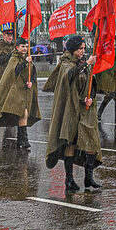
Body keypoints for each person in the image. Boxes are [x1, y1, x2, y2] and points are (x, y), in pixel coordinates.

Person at [45, 34, 102, 192]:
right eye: (80, 49)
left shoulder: (82, 63)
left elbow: (88, 83)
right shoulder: (66, 63)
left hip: (84, 109)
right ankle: (69, 179)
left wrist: (88, 98)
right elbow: (68, 77)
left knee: (91, 142)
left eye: (84, 49)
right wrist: (85, 66)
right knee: (71, 142)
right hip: (71, 110)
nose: (83, 51)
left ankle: (88, 177)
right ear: (72, 50)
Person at [0, 35, 40, 149]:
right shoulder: (13, 58)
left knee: (23, 114)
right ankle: (24, 140)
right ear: (17, 47)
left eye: (26, 46)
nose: (24, 48)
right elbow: (15, 71)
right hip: (16, 91)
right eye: (22, 46)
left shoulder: (26, 58)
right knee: (23, 113)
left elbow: (33, 73)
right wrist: (25, 63)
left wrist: (31, 82)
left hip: (25, 91)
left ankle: (20, 140)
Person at [93, 39, 116, 124]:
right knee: (110, 95)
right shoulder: (107, 52)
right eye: (114, 42)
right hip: (109, 76)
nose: (115, 43)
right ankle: (99, 113)